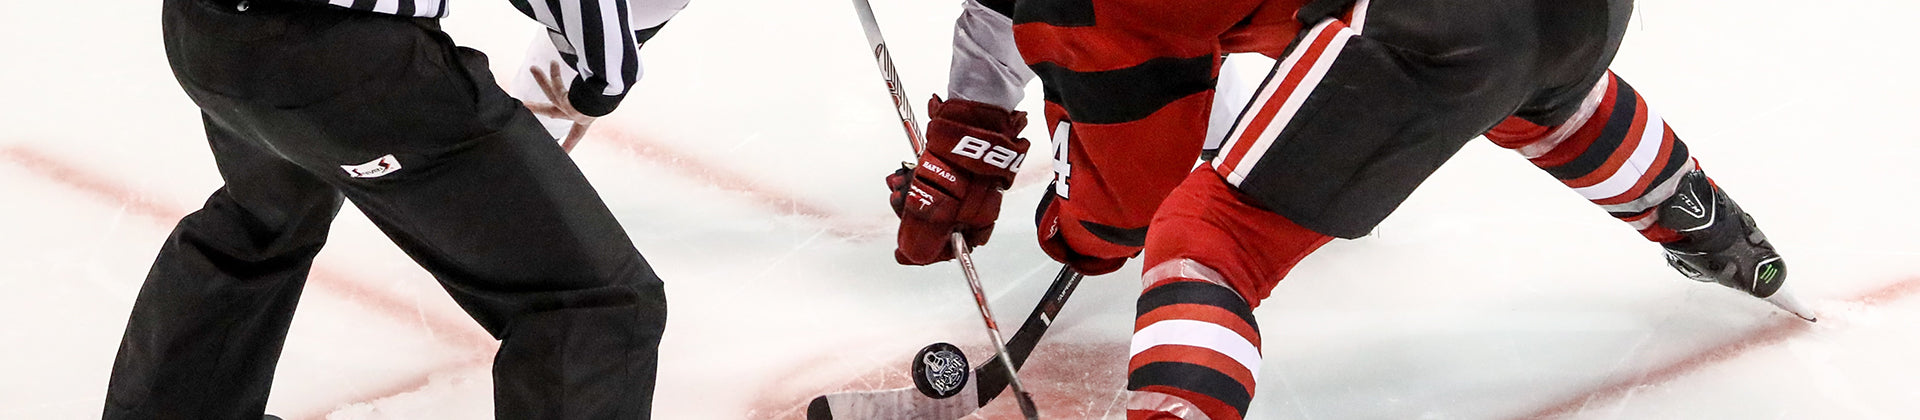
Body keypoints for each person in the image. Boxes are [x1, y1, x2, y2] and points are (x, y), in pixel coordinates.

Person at [883, 0, 1811, 419]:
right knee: (1530, 78)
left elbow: (1129, 201)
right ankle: (1719, 235)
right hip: (1588, 11)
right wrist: (979, 126)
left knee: (1206, 240)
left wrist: (1067, 226)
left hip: (1431, 26)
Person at [105, 0, 682, 418]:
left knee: (269, 216)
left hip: (204, 34)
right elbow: (596, 45)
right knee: (593, 301)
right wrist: (602, 74)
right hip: (344, 60)